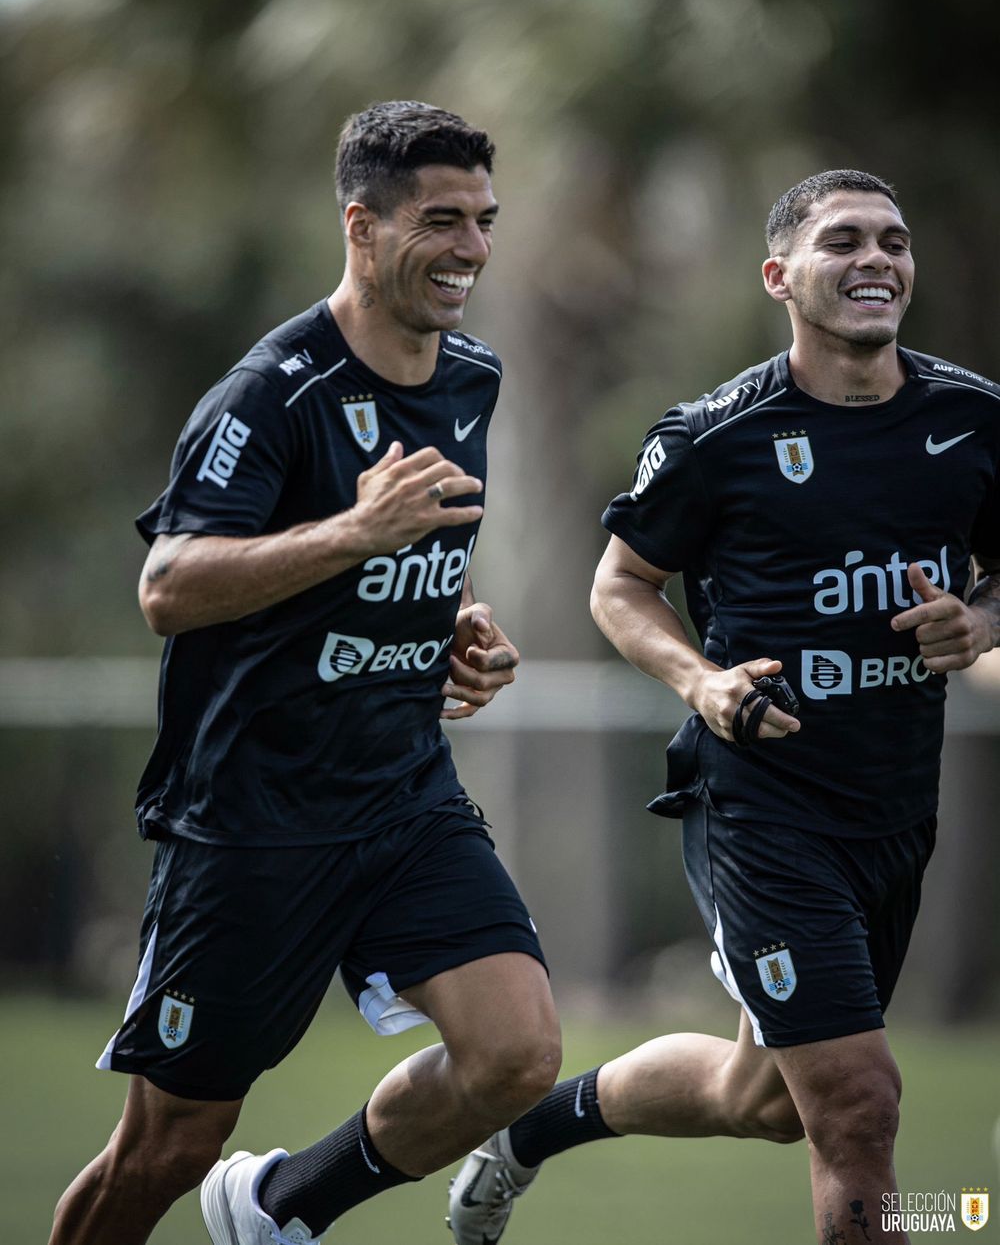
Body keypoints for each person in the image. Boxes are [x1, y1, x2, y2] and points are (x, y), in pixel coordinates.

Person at [446, 169, 1000, 1245]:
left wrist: (979, 622)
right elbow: (618, 584)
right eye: (842, 241)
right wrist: (700, 680)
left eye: (894, 239)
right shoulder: (716, 434)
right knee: (857, 1102)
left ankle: (526, 1134)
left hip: (890, 807)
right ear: (778, 276)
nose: (876, 258)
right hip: (759, 807)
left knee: (767, 1104)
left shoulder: (974, 416)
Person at [48, 100, 562, 1245]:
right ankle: (228, 1190)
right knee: (168, 1145)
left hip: (401, 793)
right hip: (250, 818)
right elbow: (169, 586)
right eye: (442, 219)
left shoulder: (470, 376)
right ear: (361, 226)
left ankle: (283, 1206)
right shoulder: (268, 390)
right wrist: (348, 534)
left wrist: (459, 630)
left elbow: (410, 559)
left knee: (516, 1050)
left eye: (485, 220)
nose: (474, 247)